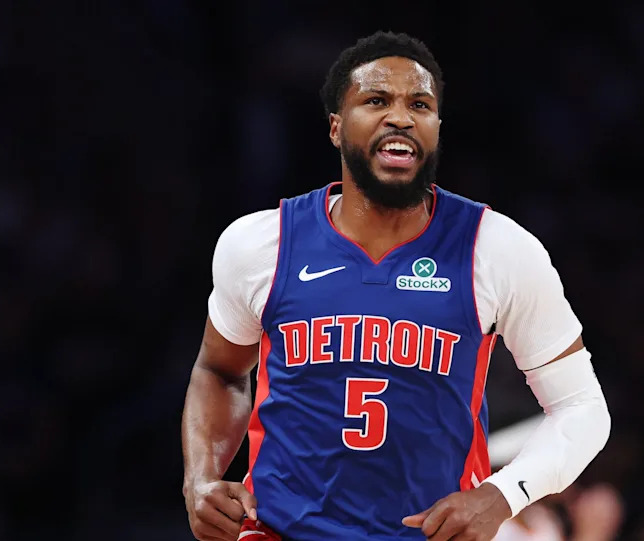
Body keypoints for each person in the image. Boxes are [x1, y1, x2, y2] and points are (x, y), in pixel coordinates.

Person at [181, 30, 612, 541]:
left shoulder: (499, 249)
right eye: (377, 100)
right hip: (281, 530)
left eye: (420, 104)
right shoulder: (259, 243)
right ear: (336, 127)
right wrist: (201, 479)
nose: (401, 116)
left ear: (435, 127)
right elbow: (219, 370)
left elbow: (583, 410)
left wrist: (502, 495)